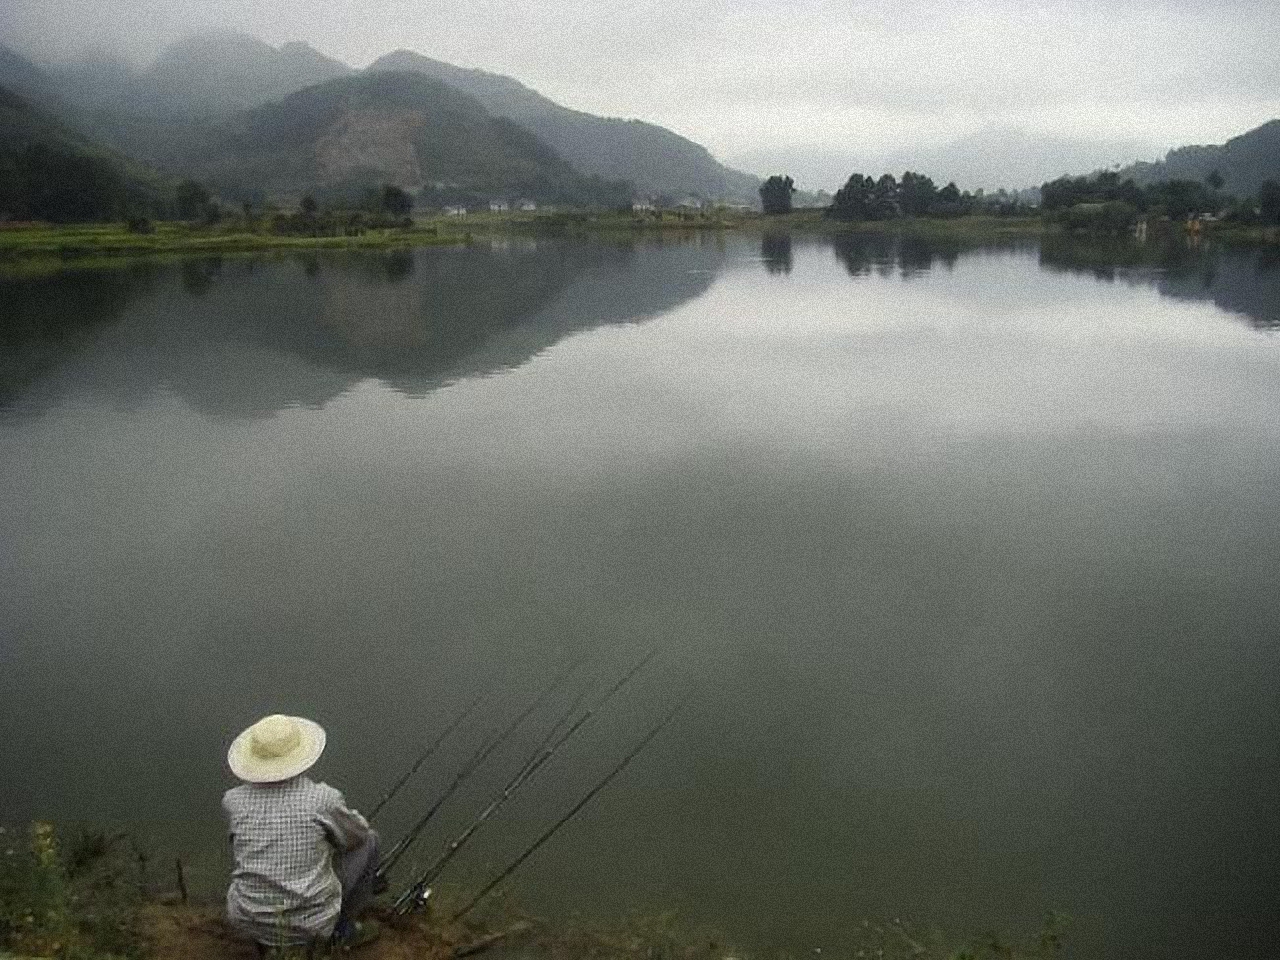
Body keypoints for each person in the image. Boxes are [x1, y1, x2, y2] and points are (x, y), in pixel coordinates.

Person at [223, 713, 382, 953]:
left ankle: (265, 939)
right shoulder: (322, 799)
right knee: (371, 841)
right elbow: (358, 835)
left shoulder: (233, 800)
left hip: (247, 920)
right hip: (312, 927)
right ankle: (342, 930)